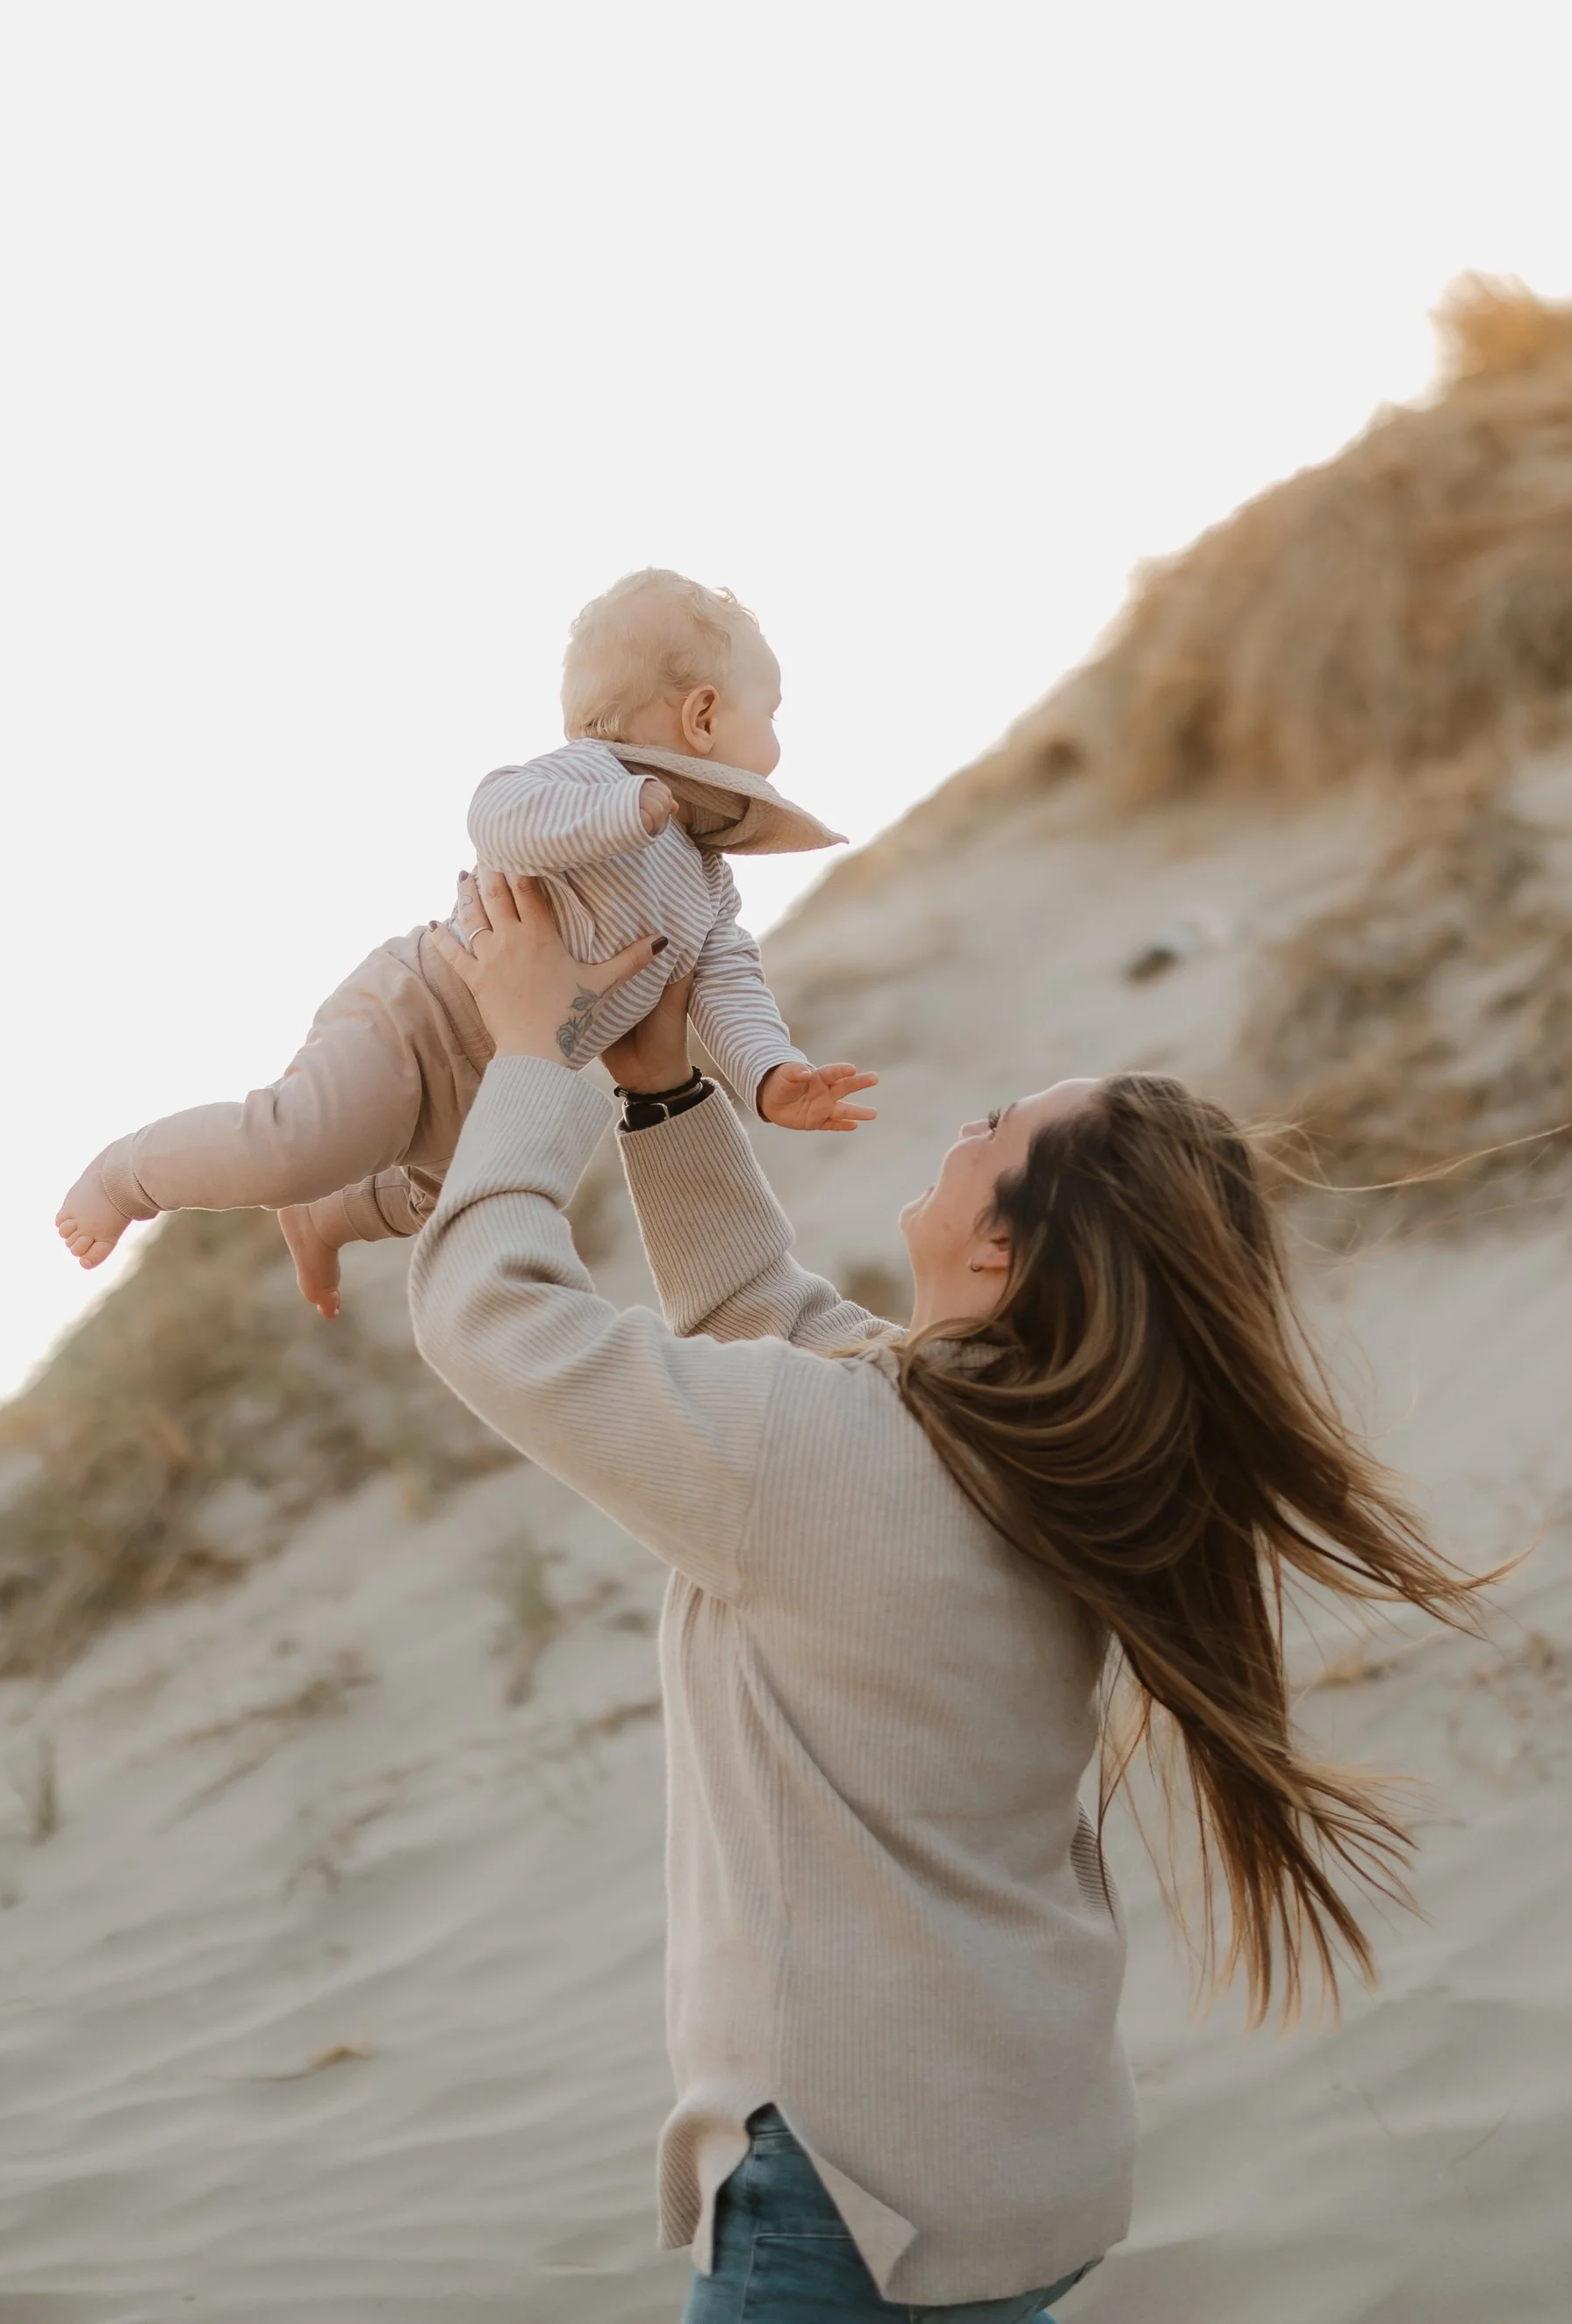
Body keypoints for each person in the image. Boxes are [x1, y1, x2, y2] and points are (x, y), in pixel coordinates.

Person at [409, 869, 1478, 2324]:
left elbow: (489, 1314)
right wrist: (659, 1090)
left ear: (1001, 1248)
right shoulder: (1025, 1455)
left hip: (852, 2205)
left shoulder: (853, 1457)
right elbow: (767, 1324)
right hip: (1019, 2173)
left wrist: (530, 1055)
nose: (965, 1127)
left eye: (999, 1129)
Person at [54, 569, 873, 1317]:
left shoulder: (705, 877)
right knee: (296, 1143)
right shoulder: (593, 777)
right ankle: (128, 1172)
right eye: (771, 717)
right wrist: (623, 813)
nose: (776, 743)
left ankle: (324, 1219)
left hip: (512, 1070)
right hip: (420, 1013)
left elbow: (727, 980)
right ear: (701, 716)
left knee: (454, 1201)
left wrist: (767, 1073)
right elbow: (498, 816)